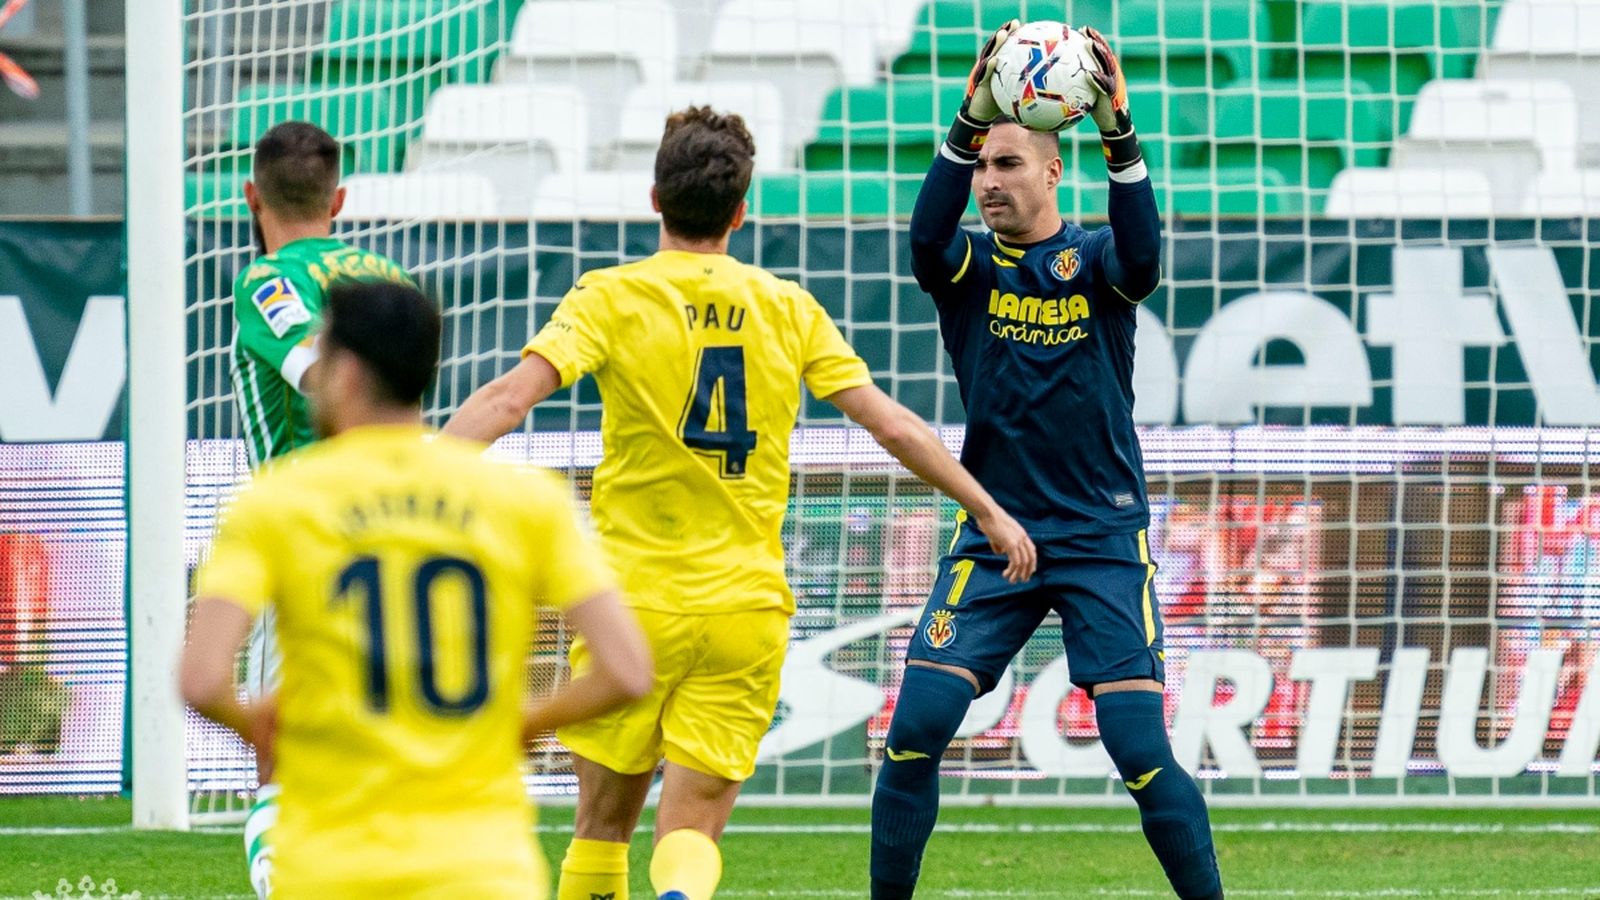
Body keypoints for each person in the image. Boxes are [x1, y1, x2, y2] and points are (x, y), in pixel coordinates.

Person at [444, 106, 1036, 900]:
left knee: (601, 829)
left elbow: (512, 398)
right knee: (688, 833)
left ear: (655, 197)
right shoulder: (785, 306)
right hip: (743, 612)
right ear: (742, 210)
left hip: (630, 606)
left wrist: (409, 477)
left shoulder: (610, 296)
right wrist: (989, 510)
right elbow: (892, 425)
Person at [867, 22, 1224, 900]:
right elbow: (922, 240)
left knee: (1140, 752)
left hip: (1102, 536)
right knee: (915, 729)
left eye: (1008, 164)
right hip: (997, 536)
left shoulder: (1097, 261)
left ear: (1054, 171)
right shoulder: (968, 269)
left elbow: (1144, 255)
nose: (990, 181)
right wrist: (965, 123)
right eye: (982, 167)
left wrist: (1118, 131)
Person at [180, 280, 653, 899]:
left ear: (346, 373)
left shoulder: (276, 501)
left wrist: (256, 726)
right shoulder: (525, 500)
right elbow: (628, 669)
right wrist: (522, 722)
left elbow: (201, 679)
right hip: (485, 872)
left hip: (331, 869)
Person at [225, 120, 414, 899]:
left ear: (250, 196)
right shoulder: (387, 274)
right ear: (339, 199)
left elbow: (309, 367)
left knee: (281, 748)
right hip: (404, 523)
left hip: (304, 529)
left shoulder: (265, 279)